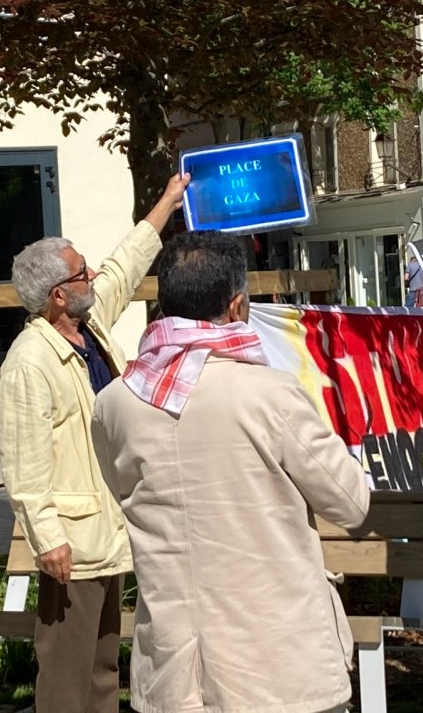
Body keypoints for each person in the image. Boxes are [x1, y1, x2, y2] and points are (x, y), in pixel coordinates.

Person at [91, 230, 370, 713]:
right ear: (238, 305)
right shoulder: (269, 393)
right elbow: (350, 504)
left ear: (164, 304)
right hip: (276, 665)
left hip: (171, 667)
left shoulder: (114, 403)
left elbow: (119, 491)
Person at [0, 171, 190, 713]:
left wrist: (168, 201)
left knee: (103, 670)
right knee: (67, 677)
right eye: (83, 272)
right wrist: (48, 540)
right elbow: (24, 466)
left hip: (106, 533)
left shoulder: (88, 330)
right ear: (59, 295)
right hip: (72, 546)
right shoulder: (30, 362)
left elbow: (125, 265)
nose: (94, 274)